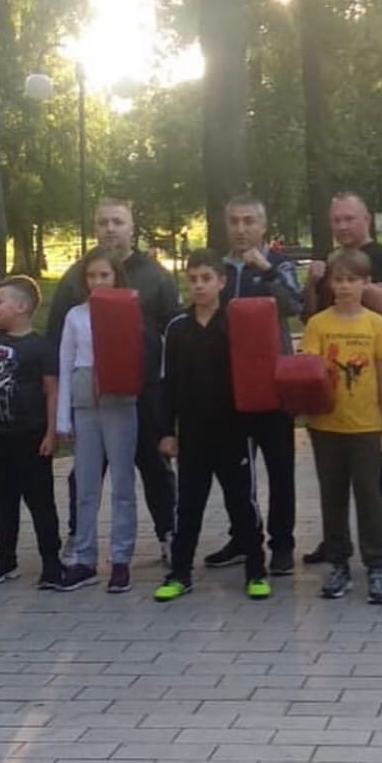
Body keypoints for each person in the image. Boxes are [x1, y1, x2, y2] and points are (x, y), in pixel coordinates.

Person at [47, 198, 180, 563]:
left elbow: (174, 330)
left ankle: (169, 533)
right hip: (92, 396)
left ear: (131, 228)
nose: (110, 228)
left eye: (117, 222)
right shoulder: (77, 276)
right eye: (103, 222)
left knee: (154, 466)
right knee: (85, 473)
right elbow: (58, 336)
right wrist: (59, 402)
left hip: (144, 391)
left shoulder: (155, 275)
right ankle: (79, 535)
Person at [155, 249, 271, 604]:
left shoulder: (236, 322)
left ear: (222, 281)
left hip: (233, 431)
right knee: (188, 506)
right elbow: (167, 383)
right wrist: (166, 431)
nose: (199, 286)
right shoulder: (177, 328)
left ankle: (256, 570)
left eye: (206, 278)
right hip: (192, 434)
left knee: (241, 502)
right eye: (193, 279)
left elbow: (253, 374)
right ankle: (180, 574)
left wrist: (253, 421)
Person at [303, 192, 382, 572]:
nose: (343, 226)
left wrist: (353, 279)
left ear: (367, 219)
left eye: (349, 218)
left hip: (368, 394)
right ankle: (336, 543)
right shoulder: (329, 261)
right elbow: (313, 312)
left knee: (379, 480)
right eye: (337, 221)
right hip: (332, 402)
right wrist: (316, 281)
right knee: (334, 485)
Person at [210, 194, 304, 575]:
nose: (241, 228)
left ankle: (282, 544)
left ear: (263, 226)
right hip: (229, 383)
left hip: (273, 383)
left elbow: (294, 305)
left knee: (280, 467)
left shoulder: (280, 264)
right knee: (235, 469)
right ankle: (243, 537)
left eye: (249, 221)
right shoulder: (218, 268)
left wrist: (265, 271)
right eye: (234, 221)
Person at [55, 247, 138, 594]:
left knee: (122, 484)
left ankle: (120, 558)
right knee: (86, 484)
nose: (98, 281)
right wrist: (63, 417)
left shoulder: (128, 310)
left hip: (119, 400)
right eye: (92, 276)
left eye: (105, 275)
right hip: (85, 399)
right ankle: (85, 557)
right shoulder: (75, 316)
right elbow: (65, 362)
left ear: (117, 277)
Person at [0, 276, 65, 590]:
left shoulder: (41, 347)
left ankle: (51, 561)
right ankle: (5, 557)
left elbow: (52, 391)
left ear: (21, 307)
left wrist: (52, 433)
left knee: (40, 499)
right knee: (2, 497)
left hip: (30, 434)